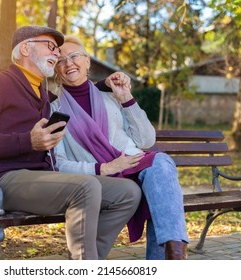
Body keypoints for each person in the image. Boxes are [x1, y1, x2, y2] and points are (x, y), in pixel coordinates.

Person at [0, 25, 142, 260]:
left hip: (42, 178)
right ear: (25, 48)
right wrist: (28, 142)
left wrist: (107, 84)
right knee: (86, 187)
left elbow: (81, 88)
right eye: (51, 47)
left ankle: (86, 260)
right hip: (2, 182)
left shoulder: (44, 94)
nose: (57, 54)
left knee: (128, 192)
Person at [51, 35, 189, 260]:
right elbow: (60, 164)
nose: (69, 63)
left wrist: (126, 98)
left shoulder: (111, 98)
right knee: (162, 191)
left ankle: (174, 250)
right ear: (56, 70)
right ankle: (173, 253)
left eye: (74, 56)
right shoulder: (55, 111)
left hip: (136, 165)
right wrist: (104, 167)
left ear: (87, 62)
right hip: (104, 180)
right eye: (61, 60)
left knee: (161, 163)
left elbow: (146, 141)